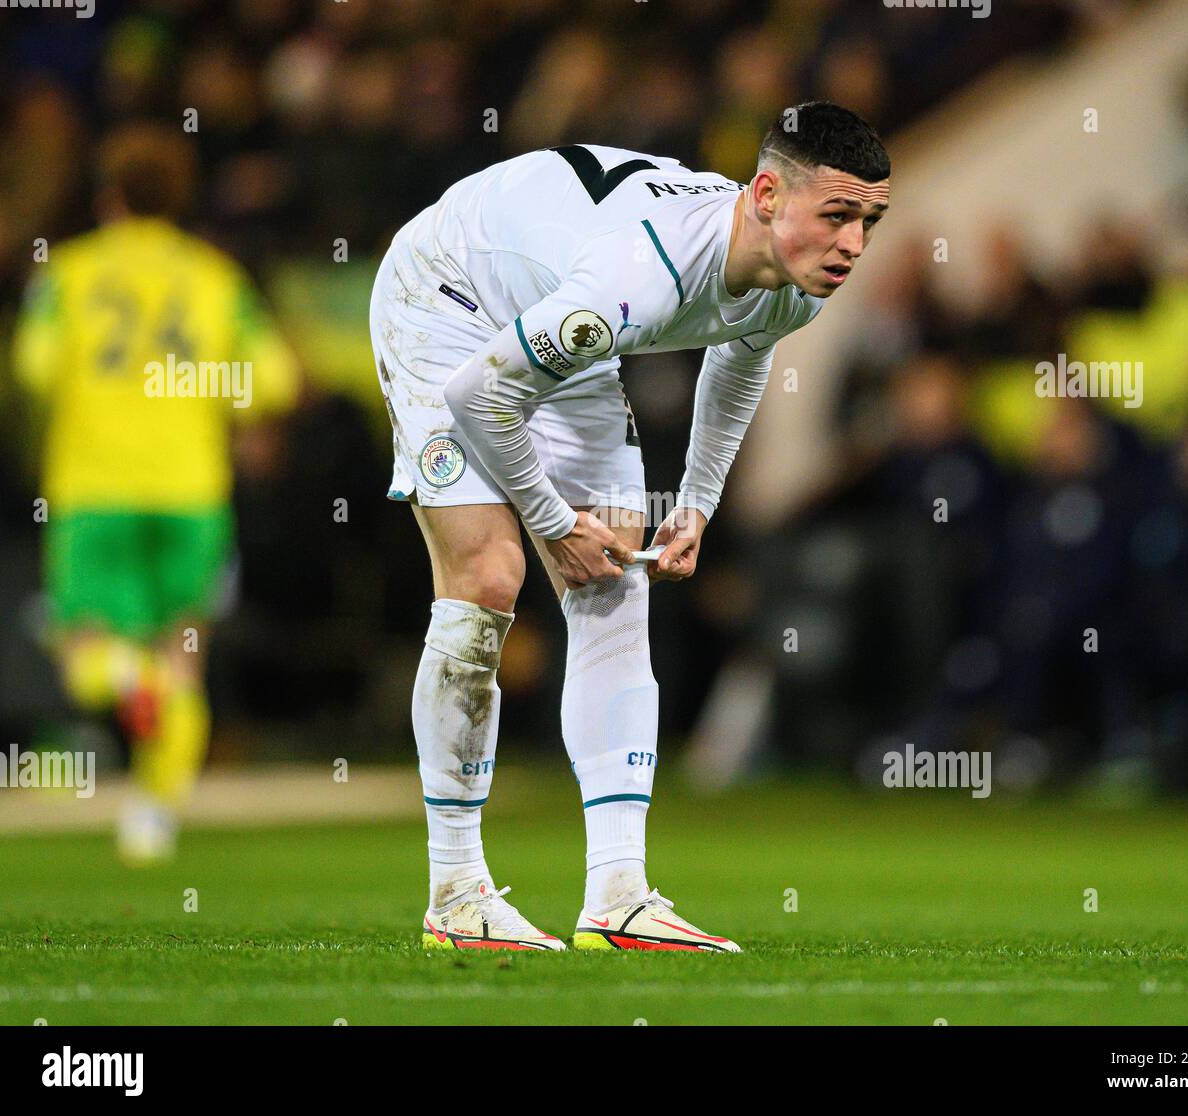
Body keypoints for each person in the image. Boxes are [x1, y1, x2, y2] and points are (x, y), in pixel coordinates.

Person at [370, 101, 890, 951]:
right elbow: (479, 393)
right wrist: (549, 521)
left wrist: (697, 501)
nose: (853, 245)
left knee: (618, 586)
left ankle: (619, 896)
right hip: (450, 298)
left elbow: (739, 356)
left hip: (559, 322)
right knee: (491, 578)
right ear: (765, 194)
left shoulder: (797, 279)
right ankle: (455, 894)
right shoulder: (639, 278)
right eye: (837, 214)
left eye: (868, 220)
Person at [13, 124, 299, 862]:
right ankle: (152, 818)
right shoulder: (216, 278)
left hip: (92, 487)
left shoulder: (67, 272)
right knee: (184, 653)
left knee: (84, 657)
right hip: (189, 490)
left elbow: (35, 368)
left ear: (108, 196)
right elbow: (272, 381)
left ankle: (134, 682)